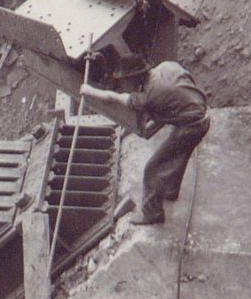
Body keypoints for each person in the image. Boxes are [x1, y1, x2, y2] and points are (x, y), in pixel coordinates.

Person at [80, 60, 210, 226]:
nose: (123, 84)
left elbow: (113, 98)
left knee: (152, 167)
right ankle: (171, 190)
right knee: (179, 154)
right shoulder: (166, 66)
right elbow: (182, 87)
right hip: (201, 111)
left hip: (193, 125)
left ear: (134, 79)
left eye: (124, 81)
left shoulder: (148, 97)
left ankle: (152, 214)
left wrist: (89, 91)